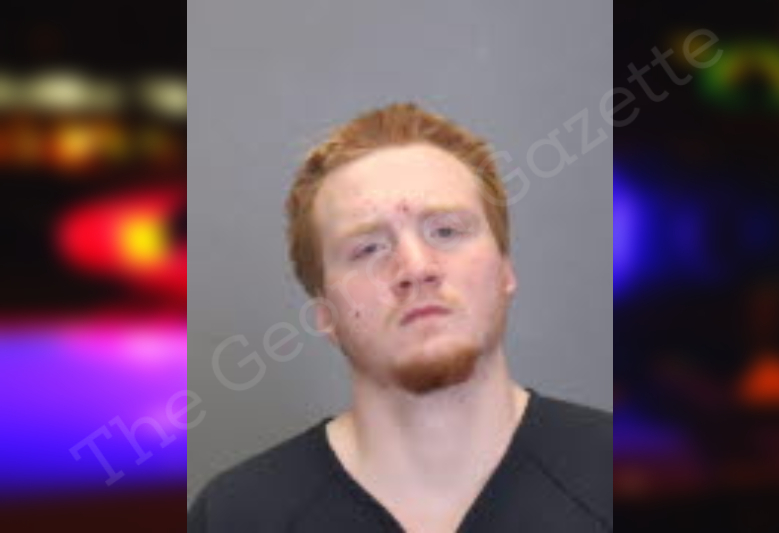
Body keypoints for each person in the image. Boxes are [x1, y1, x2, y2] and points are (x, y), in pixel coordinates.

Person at [188, 103, 612, 532]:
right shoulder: (235, 516)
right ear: (324, 314)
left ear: (505, 270)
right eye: (368, 249)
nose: (416, 267)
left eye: (446, 231)